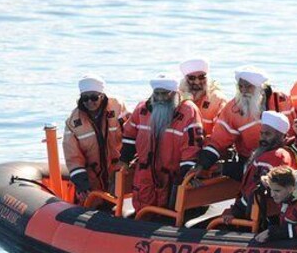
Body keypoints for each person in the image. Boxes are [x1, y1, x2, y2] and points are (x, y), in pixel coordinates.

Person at [117, 73, 204, 213]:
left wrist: (187, 173)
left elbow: (192, 146)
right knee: (143, 208)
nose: (161, 98)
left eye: (165, 94)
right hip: (146, 173)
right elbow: (129, 135)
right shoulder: (142, 109)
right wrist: (125, 159)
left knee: (171, 210)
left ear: (175, 93)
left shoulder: (189, 111)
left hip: (172, 175)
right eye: (157, 94)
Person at [193, 65, 294, 175]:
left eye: (248, 86)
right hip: (249, 159)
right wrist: (202, 164)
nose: (243, 90)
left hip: (282, 156)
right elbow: (218, 141)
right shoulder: (233, 108)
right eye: (240, 86)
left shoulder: (280, 100)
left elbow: (292, 135)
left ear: (260, 87)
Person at [63, 75, 128, 204]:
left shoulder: (118, 107)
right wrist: (81, 181)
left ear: (102, 96)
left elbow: (131, 133)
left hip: (118, 172)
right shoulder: (73, 121)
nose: (89, 102)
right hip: (92, 177)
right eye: (85, 98)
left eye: (94, 97)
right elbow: (72, 155)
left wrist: (126, 159)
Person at [221, 111, 295, 225]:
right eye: (262, 134)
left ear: (283, 137)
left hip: (261, 218)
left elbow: (255, 189)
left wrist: (234, 211)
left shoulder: (274, 156)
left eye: (268, 134)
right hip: (263, 213)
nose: (263, 138)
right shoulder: (284, 153)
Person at [179, 58, 227, 136]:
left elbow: (222, 132)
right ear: (185, 79)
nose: (197, 82)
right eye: (192, 78)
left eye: (201, 77)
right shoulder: (177, 98)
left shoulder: (217, 99)